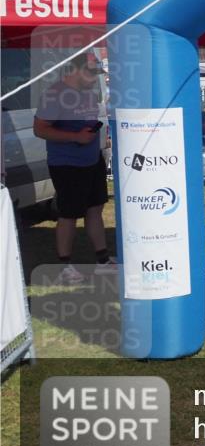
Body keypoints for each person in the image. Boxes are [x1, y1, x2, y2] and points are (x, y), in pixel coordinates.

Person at [33, 52, 115, 283]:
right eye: (91, 72)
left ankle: (102, 261)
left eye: (97, 73)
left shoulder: (88, 93)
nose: (95, 77)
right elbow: (40, 129)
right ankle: (65, 267)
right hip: (67, 164)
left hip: (92, 160)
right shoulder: (54, 94)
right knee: (68, 215)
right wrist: (75, 137)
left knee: (95, 209)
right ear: (74, 70)